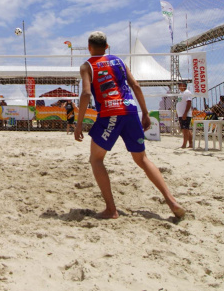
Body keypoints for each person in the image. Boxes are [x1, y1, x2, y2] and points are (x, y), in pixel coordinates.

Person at [74, 31, 184, 220]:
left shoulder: (87, 66)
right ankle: (171, 201)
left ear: (89, 47)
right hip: (131, 111)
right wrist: (145, 112)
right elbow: (136, 85)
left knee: (96, 159)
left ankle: (111, 209)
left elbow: (85, 94)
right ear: (107, 46)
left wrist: (79, 124)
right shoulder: (119, 61)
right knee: (142, 159)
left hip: (110, 113)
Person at [177, 81, 193, 149]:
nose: (178, 87)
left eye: (180, 85)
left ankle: (184, 144)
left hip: (185, 114)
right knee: (186, 129)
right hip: (181, 114)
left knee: (185, 130)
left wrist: (185, 113)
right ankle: (191, 144)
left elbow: (189, 103)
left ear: (183, 85)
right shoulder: (181, 93)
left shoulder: (187, 92)